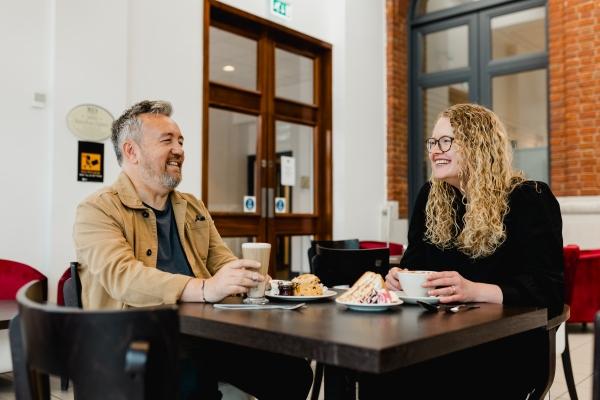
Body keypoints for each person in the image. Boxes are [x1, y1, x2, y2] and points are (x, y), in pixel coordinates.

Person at [73, 100, 312, 400]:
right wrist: (203, 288)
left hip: (203, 333)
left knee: (292, 372)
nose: (180, 150)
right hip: (133, 341)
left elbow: (221, 260)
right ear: (132, 151)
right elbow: (123, 277)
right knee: (191, 380)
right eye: (167, 141)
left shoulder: (191, 206)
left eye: (181, 141)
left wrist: (248, 277)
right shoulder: (97, 209)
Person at [365, 103, 564, 399]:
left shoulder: (529, 198)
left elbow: (550, 289)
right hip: (435, 337)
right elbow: (414, 264)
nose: (435, 150)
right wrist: (399, 277)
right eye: (433, 142)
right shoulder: (430, 199)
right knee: (374, 372)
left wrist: (473, 290)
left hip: (504, 346)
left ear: (479, 144)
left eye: (447, 141)